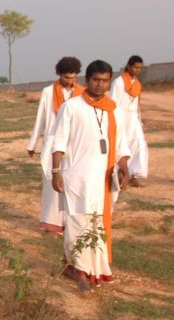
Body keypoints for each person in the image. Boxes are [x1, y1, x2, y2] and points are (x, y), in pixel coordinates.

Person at [50, 60, 130, 293]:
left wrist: (125, 170)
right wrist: (55, 172)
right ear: (87, 80)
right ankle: (80, 271)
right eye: (96, 80)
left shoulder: (115, 110)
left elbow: (121, 147)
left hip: (103, 180)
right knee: (77, 222)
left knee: (96, 224)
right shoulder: (72, 107)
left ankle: (84, 267)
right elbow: (59, 143)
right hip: (76, 176)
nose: (100, 84)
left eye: (105, 80)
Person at [26, 57, 85, 233]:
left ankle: (70, 222)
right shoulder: (48, 92)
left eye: (73, 77)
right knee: (51, 181)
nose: (70, 81)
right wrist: (32, 143)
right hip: (52, 142)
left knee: (71, 182)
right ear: (59, 74)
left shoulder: (82, 92)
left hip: (73, 143)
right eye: (66, 77)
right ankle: (50, 223)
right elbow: (41, 118)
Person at [109, 55, 148, 187]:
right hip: (121, 118)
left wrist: (139, 120)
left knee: (138, 144)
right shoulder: (118, 82)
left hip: (133, 119)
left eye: (140, 68)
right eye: (136, 67)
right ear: (129, 66)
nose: (138, 70)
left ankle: (133, 174)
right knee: (120, 146)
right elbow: (113, 102)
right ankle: (118, 174)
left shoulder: (137, 84)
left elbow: (137, 105)